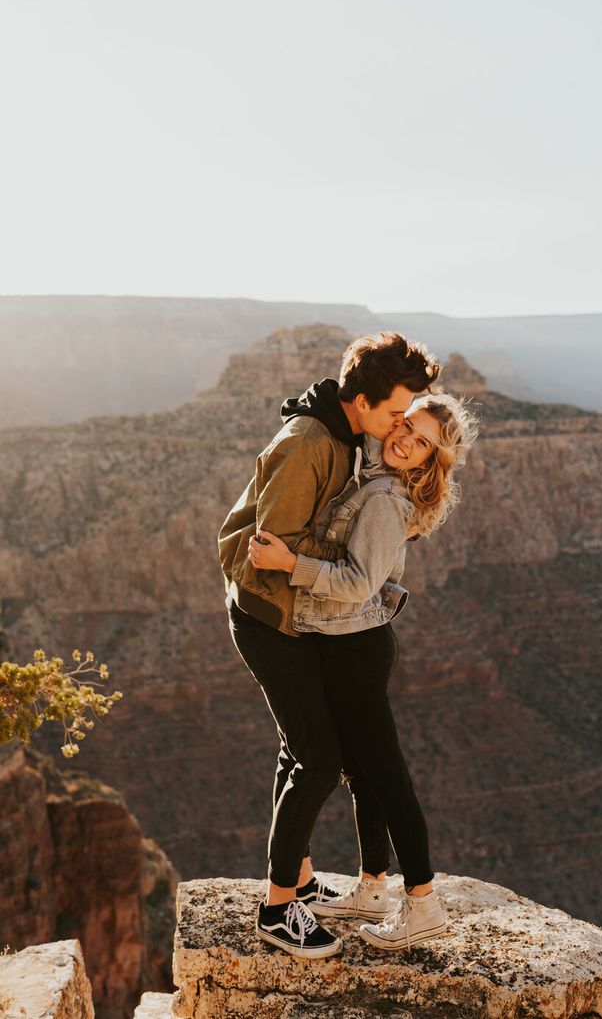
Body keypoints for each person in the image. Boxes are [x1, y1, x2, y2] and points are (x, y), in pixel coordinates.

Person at [218, 332, 440, 959]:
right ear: (363, 400)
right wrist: (361, 570)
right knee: (318, 759)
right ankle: (278, 907)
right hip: (270, 619)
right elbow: (267, 549)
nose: (400, 426)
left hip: (304, 620)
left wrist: (386, 542)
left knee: (304, 752)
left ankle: (301, 879)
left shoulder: (350, 433)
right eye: (397, 413)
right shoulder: (308, 444)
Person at [248, 393, 479, 951]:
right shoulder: (368, 470)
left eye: (422, 441)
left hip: (356, 651)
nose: (404, 439)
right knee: (361, 771)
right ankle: (374, 887)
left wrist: (289, 565)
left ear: (432, 458)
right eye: (406, 425)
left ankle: (421, 900)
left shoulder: (382, 499)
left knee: (387, 779)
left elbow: (357, 582)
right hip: (346, 643)